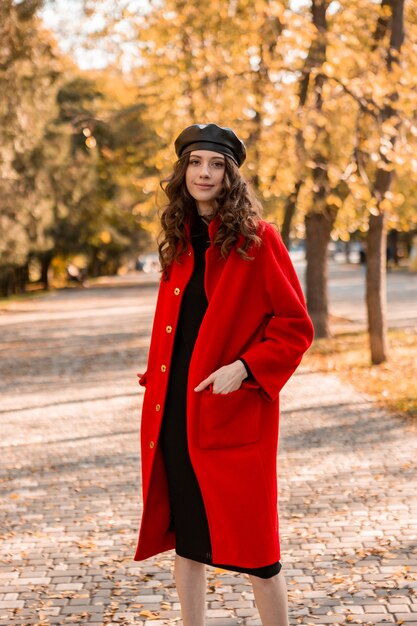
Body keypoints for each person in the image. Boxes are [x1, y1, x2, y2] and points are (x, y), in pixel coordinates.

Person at [134, 123, 314, 626]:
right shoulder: (178, 240)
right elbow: (178, 323)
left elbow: (295, 327)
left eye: (215, 165)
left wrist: (245, 368)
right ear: (183, 172)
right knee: (187, 540)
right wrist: (157, 371)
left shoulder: (258, 240)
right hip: (176, 412)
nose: (204, 173)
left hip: (233, 413)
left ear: (231, 175)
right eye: (195, 163)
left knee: (259, 552)